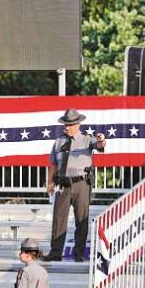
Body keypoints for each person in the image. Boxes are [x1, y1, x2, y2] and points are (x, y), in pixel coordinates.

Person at [45, 109, 106, 262]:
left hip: (81, 184)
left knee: (81, 219)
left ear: (78, 124)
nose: (67, 127)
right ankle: (56, 252)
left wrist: (101, 140)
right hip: (62, 184)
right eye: (66, 124)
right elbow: (53, 164)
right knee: (59, 219)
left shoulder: (87, 139)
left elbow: (100, 145)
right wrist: (49, 182)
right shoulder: (59, 141)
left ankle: (78, 253)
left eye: (70, 124)